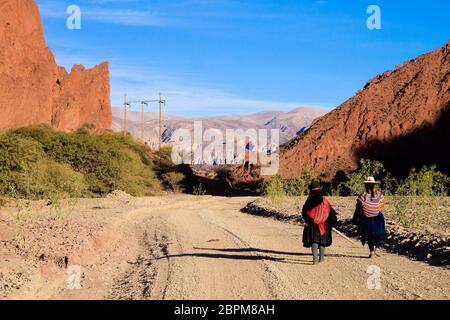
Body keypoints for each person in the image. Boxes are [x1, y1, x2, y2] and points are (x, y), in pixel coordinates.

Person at [302, 180, 338, 265]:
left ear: (311, 190)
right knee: (322, 241)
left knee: (314, 241)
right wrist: (331, 222)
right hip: (324, 224)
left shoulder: (309, 200)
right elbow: (330, 212)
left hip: (312, 224)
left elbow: (304, 212)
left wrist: (308, 220)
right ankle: (321, 258)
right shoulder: (324, 200)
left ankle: (315, 259)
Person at [353, 177, 387, 258]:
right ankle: (377, 247)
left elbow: (359, 206)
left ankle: (371, 251)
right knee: (379, 233)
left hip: (367, 218)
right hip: (378, 217)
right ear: (374, 185)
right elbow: (382, 205)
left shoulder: (362, 196)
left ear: (365, 186)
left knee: (370, 235)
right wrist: (376, 210)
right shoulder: (379, 194)